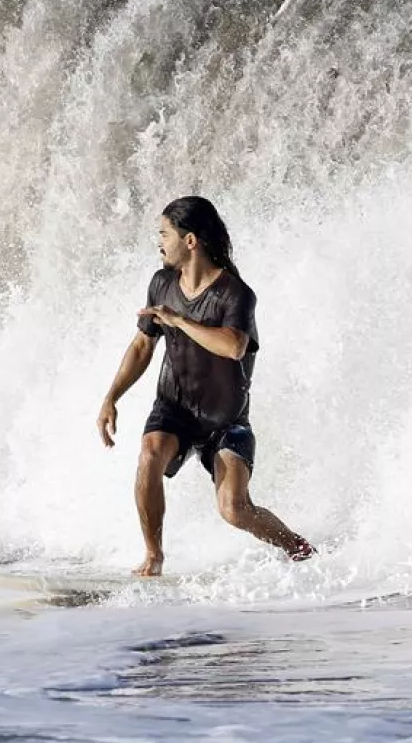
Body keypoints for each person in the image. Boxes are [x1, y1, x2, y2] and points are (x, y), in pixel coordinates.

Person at [97, 196, 315, 576]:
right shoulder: (162, 284)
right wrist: (111, 396)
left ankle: (298, 547)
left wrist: (179, 321)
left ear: (191, 240)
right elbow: (142, 345)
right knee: (150, 452)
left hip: (225, 419)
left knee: (234, 509)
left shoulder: (235, 294)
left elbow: (233, 346)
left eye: (164, 234)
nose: (159, 242)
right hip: (175, 408)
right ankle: (153, 557)